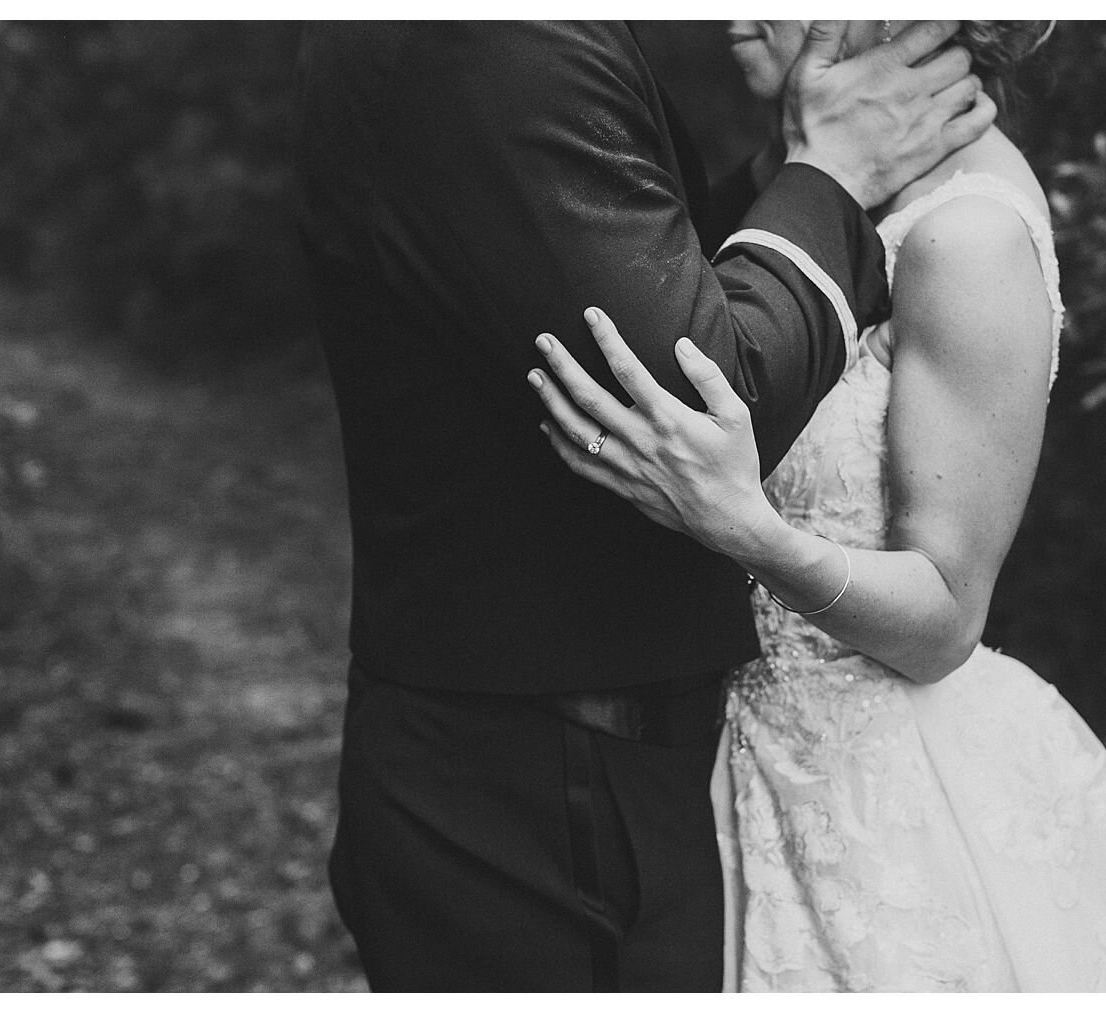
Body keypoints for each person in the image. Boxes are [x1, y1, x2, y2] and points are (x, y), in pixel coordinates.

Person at [295, 21, 994, 991]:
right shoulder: (488, 40)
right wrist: (829, 175)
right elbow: (703, 394)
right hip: (538, 794)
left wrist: (803, 168)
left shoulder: (977, 228)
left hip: (626, 769)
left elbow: (642, 269)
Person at [529, 20, 1106, 991]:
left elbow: (944, 614)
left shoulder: (963, 232)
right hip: (736, 771)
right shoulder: (802, 184)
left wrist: (746, 530)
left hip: (892, 804)